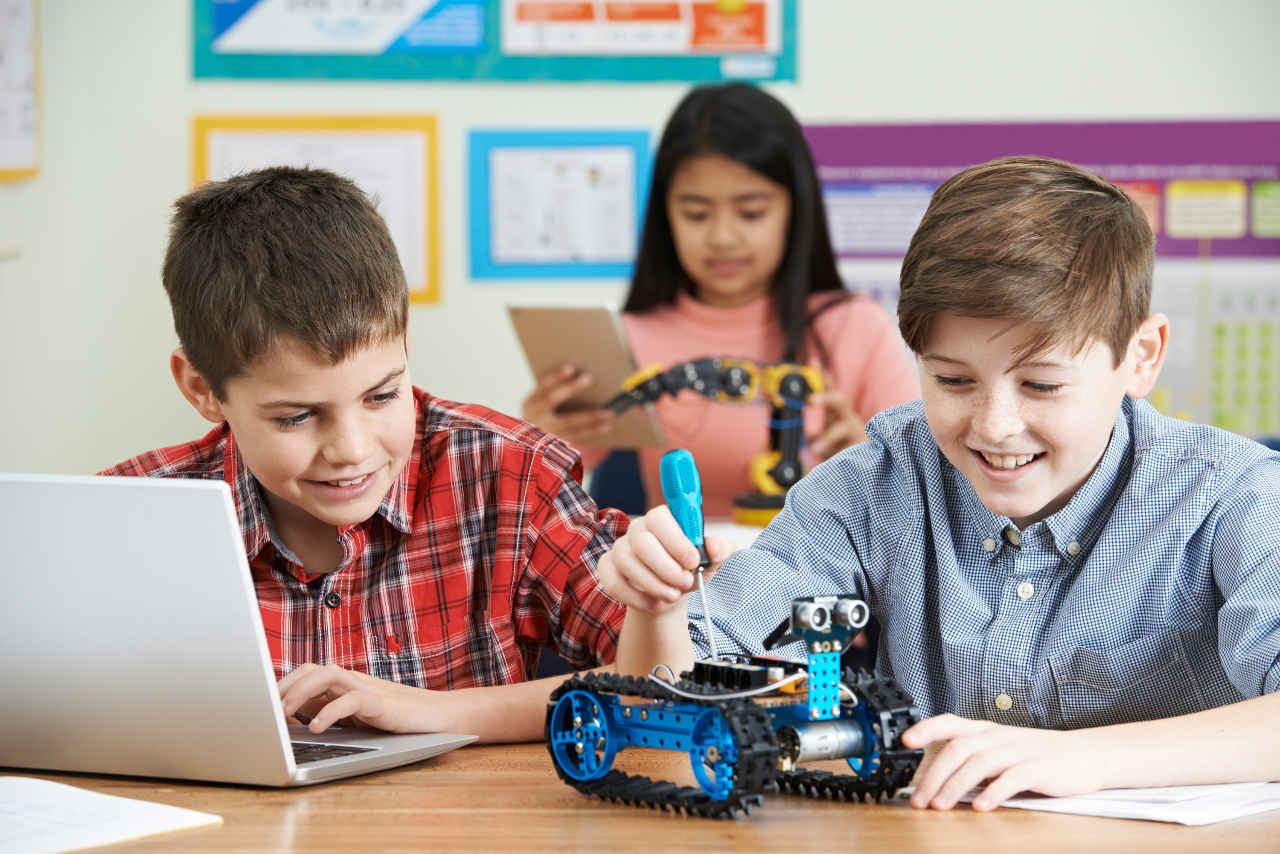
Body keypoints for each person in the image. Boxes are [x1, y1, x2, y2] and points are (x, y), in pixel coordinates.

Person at [598, 156, 1280, 809]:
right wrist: (657, 605)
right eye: (952, 380)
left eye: (1041, 384)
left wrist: (1085, 758)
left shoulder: (1230, 496)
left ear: (1142, 357)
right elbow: (668, 706)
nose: (995, 425)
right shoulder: (876, 485)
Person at [102, 166, 628, 743]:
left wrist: (438, 713)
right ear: (203, 390)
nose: (351, 450)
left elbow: (657, 679)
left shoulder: (508, 479)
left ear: (405, 343)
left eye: (381, 395)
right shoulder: (126, 516)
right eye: (296, 417)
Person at [521, 83, 919, 518]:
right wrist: (536, 443)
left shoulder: (853, 327)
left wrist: (873, 466)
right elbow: (544, 501)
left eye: (751, 212)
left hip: (824, 578)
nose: (722, 238)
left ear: (795, 208)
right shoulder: (628, 339)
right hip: (681, 578)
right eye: (696, 213)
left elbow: (925, 501)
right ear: (665, 214)